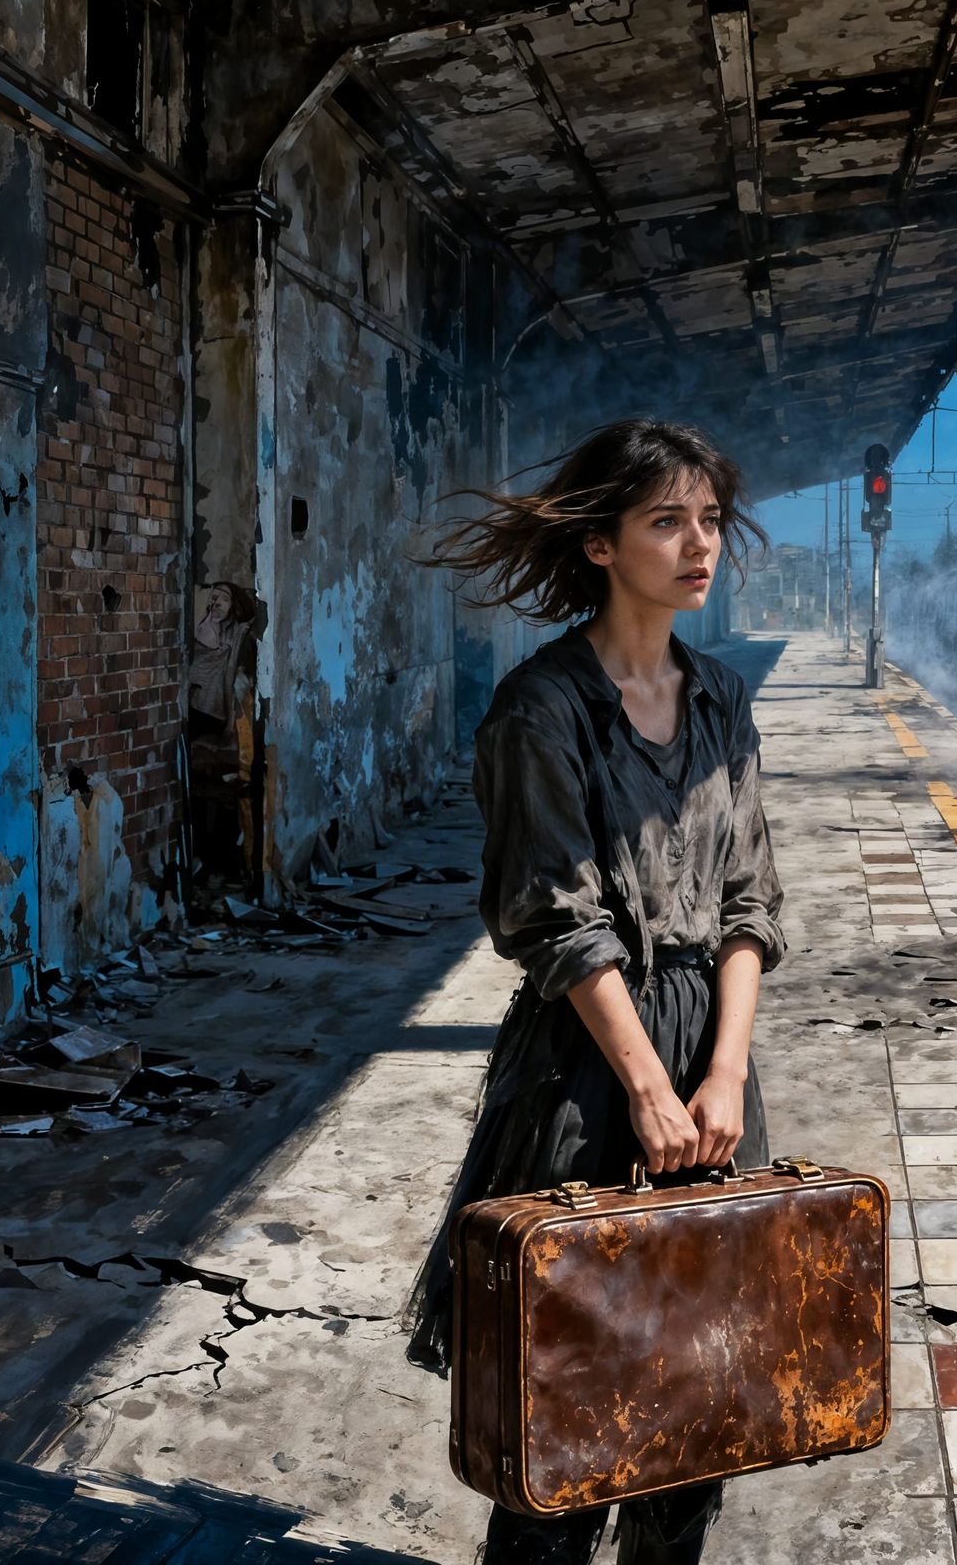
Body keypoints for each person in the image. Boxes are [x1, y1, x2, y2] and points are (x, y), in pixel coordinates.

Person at [406, 419, 786, 1565]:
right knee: (566, 1408)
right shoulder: (541, 707)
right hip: (587, 1061)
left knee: (699, 1403)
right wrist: (648, 1089)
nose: (697, 543)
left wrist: (719, 1075)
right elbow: (557, 924)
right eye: (666, 520)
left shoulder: (720, 697)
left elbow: (750, 904)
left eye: (709, 519)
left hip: (712, 1064)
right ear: (601, 545)